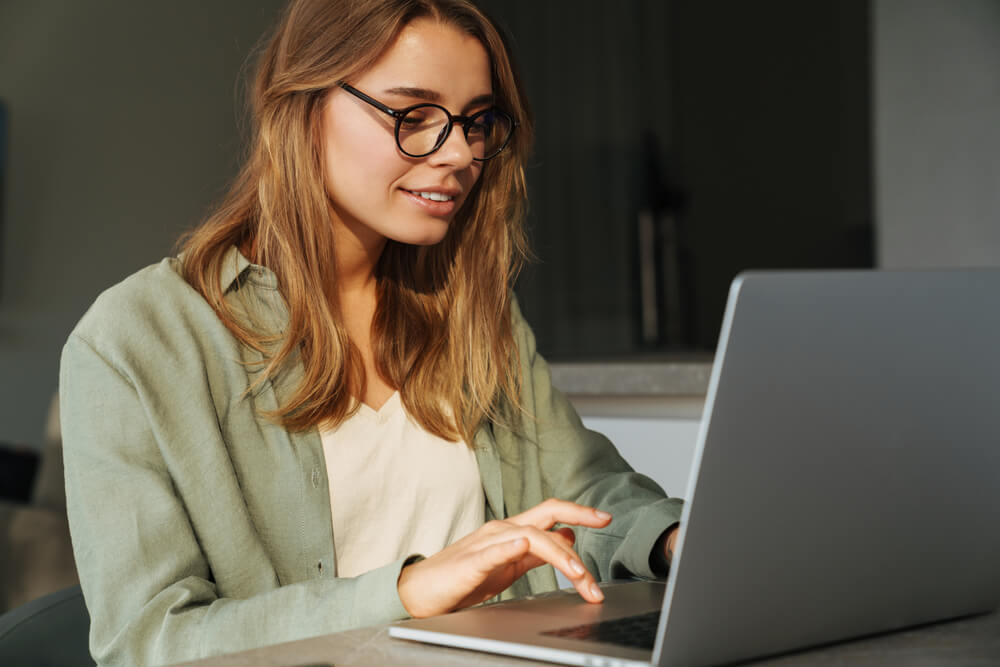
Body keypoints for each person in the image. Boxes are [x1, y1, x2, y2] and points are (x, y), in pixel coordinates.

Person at [59, 0, 684, 664]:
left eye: (477, 122)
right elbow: (150, 641)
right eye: (413, 116)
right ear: (304, 104)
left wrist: (677, 539)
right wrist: (410, 588)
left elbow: (585, 494)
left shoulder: (472, 309)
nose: (458, 154)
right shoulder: (135, 341)